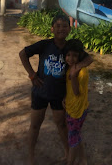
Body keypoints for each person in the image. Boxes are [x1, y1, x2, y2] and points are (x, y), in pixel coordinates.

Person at [19, 14, 93, 165]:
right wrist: (32, 75)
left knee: (62, 126)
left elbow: (89, 58)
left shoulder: (70, 47)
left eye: (64, 26)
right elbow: (23, 54)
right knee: (34, 125)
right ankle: (30, 157)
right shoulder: (44, 45)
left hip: (59, 95)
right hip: (40, 92)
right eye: (57, 26)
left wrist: (77, 67)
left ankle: (68, 154)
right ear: (52, 29)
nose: (61, 29)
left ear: (69, 29)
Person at [63, 39, 89, 165]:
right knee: (76, 135)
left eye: (74, 55)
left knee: (72, 139)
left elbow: (77, 92)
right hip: (71, 107)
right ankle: (83, 160)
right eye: (68, 55)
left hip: (77, 111)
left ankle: (70, 162)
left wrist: (73, 76)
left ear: (80, 56)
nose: (70, 58)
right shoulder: (70, 68)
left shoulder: (81, 72)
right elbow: (69, 89)